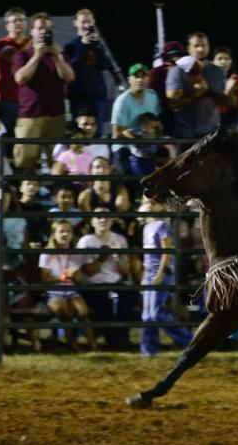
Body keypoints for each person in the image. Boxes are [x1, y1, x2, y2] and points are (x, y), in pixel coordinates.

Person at [11, 13, 75, 172]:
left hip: (56, 116)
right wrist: (37, 55)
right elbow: (20, 78)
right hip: (31, 116)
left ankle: (56, 192)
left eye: (47, 29)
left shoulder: (59, 55)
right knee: (25, 160)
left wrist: (57, 57)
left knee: (58, 163)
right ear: (32, 31)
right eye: (39, 28)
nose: (43, 32)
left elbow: (70, 78)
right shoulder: (22, 55)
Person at [72, 209, 136, 350]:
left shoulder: (120, 239)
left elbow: (125, 271)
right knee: (106, 301)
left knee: (128, 298)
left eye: (106, 217)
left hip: (116, 284)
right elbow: (87, 271)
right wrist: (102, 259)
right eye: (99, 217)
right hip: (94, 285)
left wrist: (119, 256)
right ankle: (113, 342)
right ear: (92, 221)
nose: (103, 220)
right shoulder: (86, 241)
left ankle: (121, 340)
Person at [139, 198, 193, 357]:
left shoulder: (162, 225)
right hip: (150, 273)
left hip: (161, 273)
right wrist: (145, 276)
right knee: (147, 315)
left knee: (155, 314)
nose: (150, 205)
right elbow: (147, 257)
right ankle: (149, 351)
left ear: (161, 206)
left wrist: (160, 273)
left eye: (154, 202)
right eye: (147, 202)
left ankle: (189, 341)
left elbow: (167, 252)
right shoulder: (147, 226)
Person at [39, 219, 98, 351]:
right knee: (64, 312)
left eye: (68, 231)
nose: (65, 234)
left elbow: (80, 279)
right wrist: (59, 278)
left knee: (83, 313)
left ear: (72, 234)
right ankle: (74, 346)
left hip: (71, 290)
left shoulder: (76, 253)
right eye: (62, 231)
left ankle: (94, 346)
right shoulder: (47, 253)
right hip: (54, 291)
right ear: (54, 234)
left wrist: (76, 276)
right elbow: (45, 277)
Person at [63, 8, 117, 136]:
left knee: (96, 134)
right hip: (79, 97)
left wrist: (97, 46)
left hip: (98, 97)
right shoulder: (71, 46)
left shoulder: (98, 45)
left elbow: (106, 66)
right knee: (79, 134)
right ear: (75, 23)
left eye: (89, 22)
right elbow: (70, 68)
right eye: (83, 22)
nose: (87, 25)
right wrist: (83, 45)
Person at [165, 32, 227, 138]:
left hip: (211, 133)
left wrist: (208, 90)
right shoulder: (177, 71)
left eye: (203, 46)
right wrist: (196, 94)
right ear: (188, 48)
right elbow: (173, 105)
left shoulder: (218, 71)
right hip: (185, 134)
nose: (200, 49)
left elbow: (220, 100)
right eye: (196, 46)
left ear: (208, 47)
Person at [111, 63, 162, 175]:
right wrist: (137, 138)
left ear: (148, 78)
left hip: (147, 148)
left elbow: (156, 122)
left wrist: (153, 134)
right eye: (136, 76)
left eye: (143, 76)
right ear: (129, 79)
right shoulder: (121, 101)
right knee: (132, 183)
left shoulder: (153, 96)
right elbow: (116, 133)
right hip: (125, 148)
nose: (140, 79)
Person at [0, 7, 30, 138]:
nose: (18, 23)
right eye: (14, 21)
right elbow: (15, 60)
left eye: (21, 20)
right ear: (7, 25)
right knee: (8, 137)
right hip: (6, 98)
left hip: (26, 99)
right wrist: (33, 42)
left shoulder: (31, 43)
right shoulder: (3, 43)